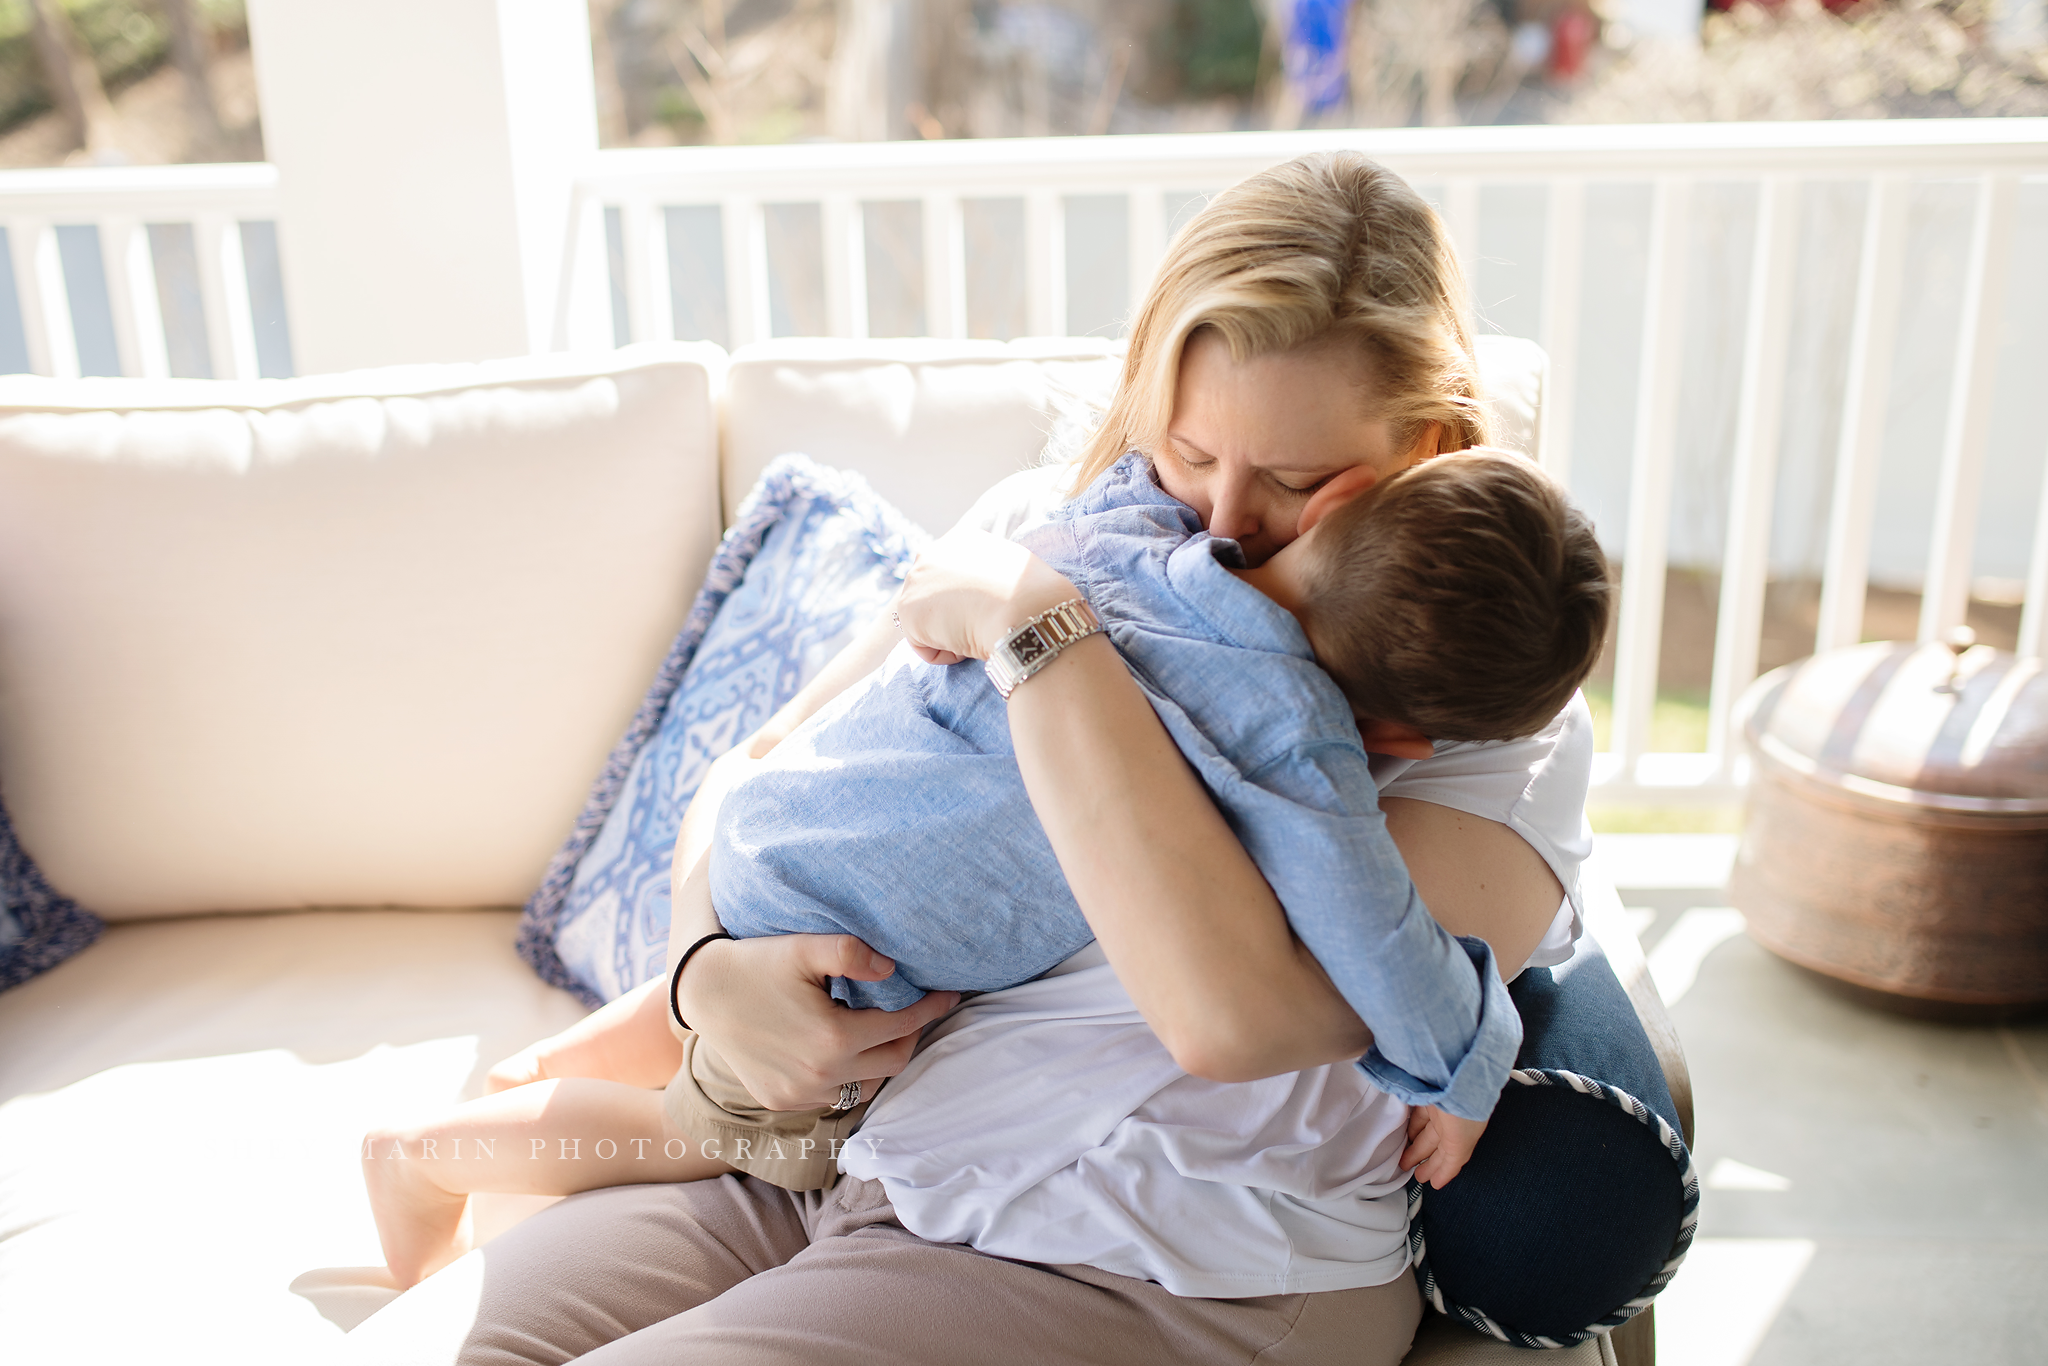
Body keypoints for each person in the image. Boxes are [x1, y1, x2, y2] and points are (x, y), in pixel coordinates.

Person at [344, 150, 1600, 1366]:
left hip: (1152, 1248)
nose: (1216, 530)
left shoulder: (1483, 726)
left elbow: (1233, 1017)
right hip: (861, 1158)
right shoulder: (1050, 528)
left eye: (1294, 481)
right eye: (1189, 452)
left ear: (1431, 445)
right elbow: (766, 764)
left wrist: (1036, 633)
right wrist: (702, 968)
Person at [361, 445, 1608, 1285]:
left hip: (785, 833)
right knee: (705, 1131)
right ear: (1400, 741)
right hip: (848, 944)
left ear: (1332, 507)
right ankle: (432, 1152)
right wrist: (1468, 1053)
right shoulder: (1297, 745)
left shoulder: (1119, 525)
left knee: (684, 1021)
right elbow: (1378, 932)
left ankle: (526, 1073)